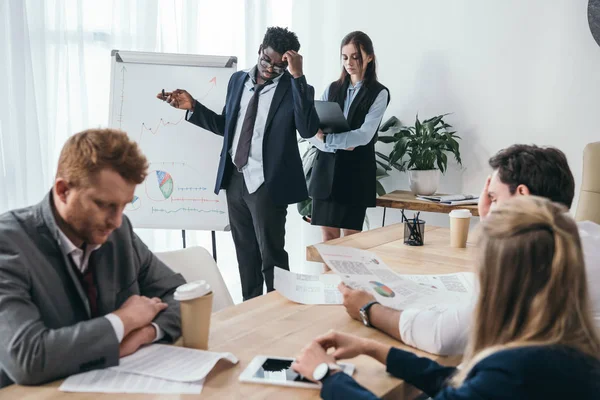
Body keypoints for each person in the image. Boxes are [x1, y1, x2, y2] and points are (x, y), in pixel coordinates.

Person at [293, 196, 600, 399]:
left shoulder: (515, 368)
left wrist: (326, 374)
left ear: (499, 283)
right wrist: (373, 349)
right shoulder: (569, 349)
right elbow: (463, 384)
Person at [338, 144, 600, 355]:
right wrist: (490, 218)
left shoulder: (533, 260)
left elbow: (443, 337)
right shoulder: (591, 235)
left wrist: (368, 309)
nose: (487, 204)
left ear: (522, 194)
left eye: (493, 197)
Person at [0, 129, 186, 387]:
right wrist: (126, 319)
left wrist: (145, 333)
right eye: (103, 204)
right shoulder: (7, 244)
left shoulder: (119, 233)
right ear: (63, 190)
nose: (117, 220)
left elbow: (182, 296)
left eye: (124, 205)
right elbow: (27, 358)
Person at [158, 27, 319, 301]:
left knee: (272, 257)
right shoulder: (237, 81)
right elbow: (227, 126)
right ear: (260, 50)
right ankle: (251, 313)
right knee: (245, 256)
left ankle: (281, 315)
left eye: (279, 66)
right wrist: (193, 107)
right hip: (235, 179)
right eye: (267, 61)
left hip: (268, 184)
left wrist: (297, 77)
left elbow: (306, 129)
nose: (270, 69)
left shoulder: (294, 89)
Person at [308, 31, 390, 241]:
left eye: (356, 56)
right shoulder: (332, 89)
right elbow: (313, 131)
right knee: (327, 237)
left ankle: (347, 277)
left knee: (351, 239)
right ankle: (328, 277)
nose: (349, 62)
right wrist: (334, 143)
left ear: (369, 56)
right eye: (345, 57)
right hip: (326, 173)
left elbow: (363, 135)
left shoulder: (379, 93)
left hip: (355, 175)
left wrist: (327, 140)